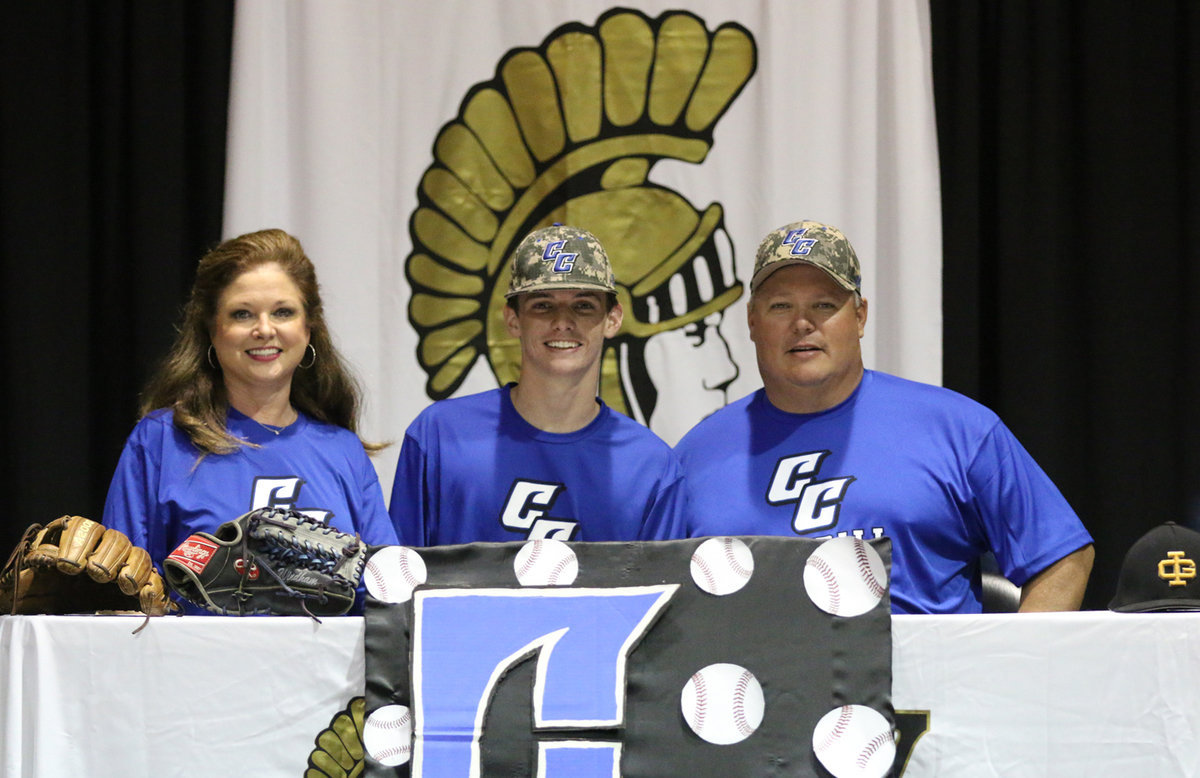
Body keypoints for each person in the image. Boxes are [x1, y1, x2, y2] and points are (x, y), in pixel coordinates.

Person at [675, 220, 1094, 614]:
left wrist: (1008, 673)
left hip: (925, 688)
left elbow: (1063, 556)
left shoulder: (957, 429)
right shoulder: (696, 455)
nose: (802, 323)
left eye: (825, 305)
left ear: (860, 317)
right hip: (758, 687)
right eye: (781, 306)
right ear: (751, 321)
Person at [102, 229, 397, 611]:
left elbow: (386, 595)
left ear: (308, 329)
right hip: (194, 668)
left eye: (283, 312)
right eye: (242, 314)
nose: (264, 329)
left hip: (325, 670)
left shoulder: (342, 450)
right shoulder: (159, 442)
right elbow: (121, 596)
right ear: (212, 330)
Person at [389, 224, 687, 545]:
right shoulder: (440, 437)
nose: (562, 322)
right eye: (542, 305)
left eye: (583, 305)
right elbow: (398, 585)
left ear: (613, 319)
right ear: (513, 319)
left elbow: (659, 594)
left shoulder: (651, 466)